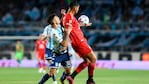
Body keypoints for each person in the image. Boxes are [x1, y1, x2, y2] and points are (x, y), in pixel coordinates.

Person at [62, 1, 97, 84]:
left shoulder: (69, 17)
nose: (78, 10)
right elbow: (67, 30)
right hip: (80, 42)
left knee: (87, 61)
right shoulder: (69, 17)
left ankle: (72, 76)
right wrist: (65, 43)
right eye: (78, 8)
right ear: (75, 8)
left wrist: (84, 24)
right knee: (93, 59)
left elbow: (73, 26)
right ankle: (90, 80)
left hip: (76, 43)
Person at [38, 13, 72, 84]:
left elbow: (64, 28)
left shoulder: (60, 27)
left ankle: (62, 78)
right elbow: (63, 43)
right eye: (57, 17)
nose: (58, 18)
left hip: (65, 53)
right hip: (56, 54)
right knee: (51, 73)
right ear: (53, 21)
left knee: (69, 72)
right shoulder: (52, 32)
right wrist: (67, 33)